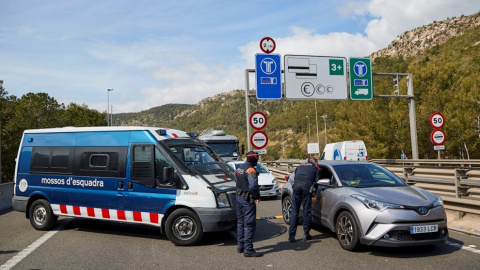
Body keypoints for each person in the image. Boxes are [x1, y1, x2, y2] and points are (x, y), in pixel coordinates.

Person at [235, 151, 263, 257]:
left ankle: (240, 246)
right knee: (249, 224)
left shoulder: (240, 168)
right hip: (247, 200)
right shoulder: (251, 170)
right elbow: (253, 186)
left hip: (238, 197)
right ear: (254, 159)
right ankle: (248, 249)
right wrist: (256, 196)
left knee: (240, 222)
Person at [288, 156, 322, 242]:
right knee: (306, 211)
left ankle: (291, 235)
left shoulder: (300, 166)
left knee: (294, 211)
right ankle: (306, 234)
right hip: (306, 189)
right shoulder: (315, 168)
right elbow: (317, 182)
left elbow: (296, 176)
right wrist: (314, 193)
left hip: (296, 188)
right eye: (316, 162)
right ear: (314, 161)